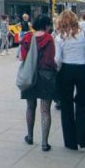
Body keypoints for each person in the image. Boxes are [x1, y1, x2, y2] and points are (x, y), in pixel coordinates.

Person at [54, 10, 85, 150]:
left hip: (66, 70)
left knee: (66, 105)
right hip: (83, 69)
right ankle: (82, 138)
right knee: (81, 104)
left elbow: (58, 59)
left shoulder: (60, 37)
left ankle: (70, 142)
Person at [20, 14, 57, 151]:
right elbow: (50, 59)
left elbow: (22, 57)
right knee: (45, 110)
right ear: (47, 25)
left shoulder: (28, 37)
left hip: (30, 75)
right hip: (46, 76)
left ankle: (30, 136)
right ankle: (44, 143)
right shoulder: (48, 38)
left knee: (30, 107)